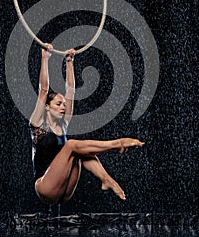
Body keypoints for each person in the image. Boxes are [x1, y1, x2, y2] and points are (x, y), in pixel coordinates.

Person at [29, 43, 145, 205]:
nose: (63, 107)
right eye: (58, 104)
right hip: (45, 187)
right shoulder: (37, 125)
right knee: (71, 146)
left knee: (78, 152)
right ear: (47, 107)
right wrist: (45, 58)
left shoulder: (63, 124)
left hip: (64, 191)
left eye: (63, 104)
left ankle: (106, 179)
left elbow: (71, 91)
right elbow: (43, 90)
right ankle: (117, 144)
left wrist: (69, 62)